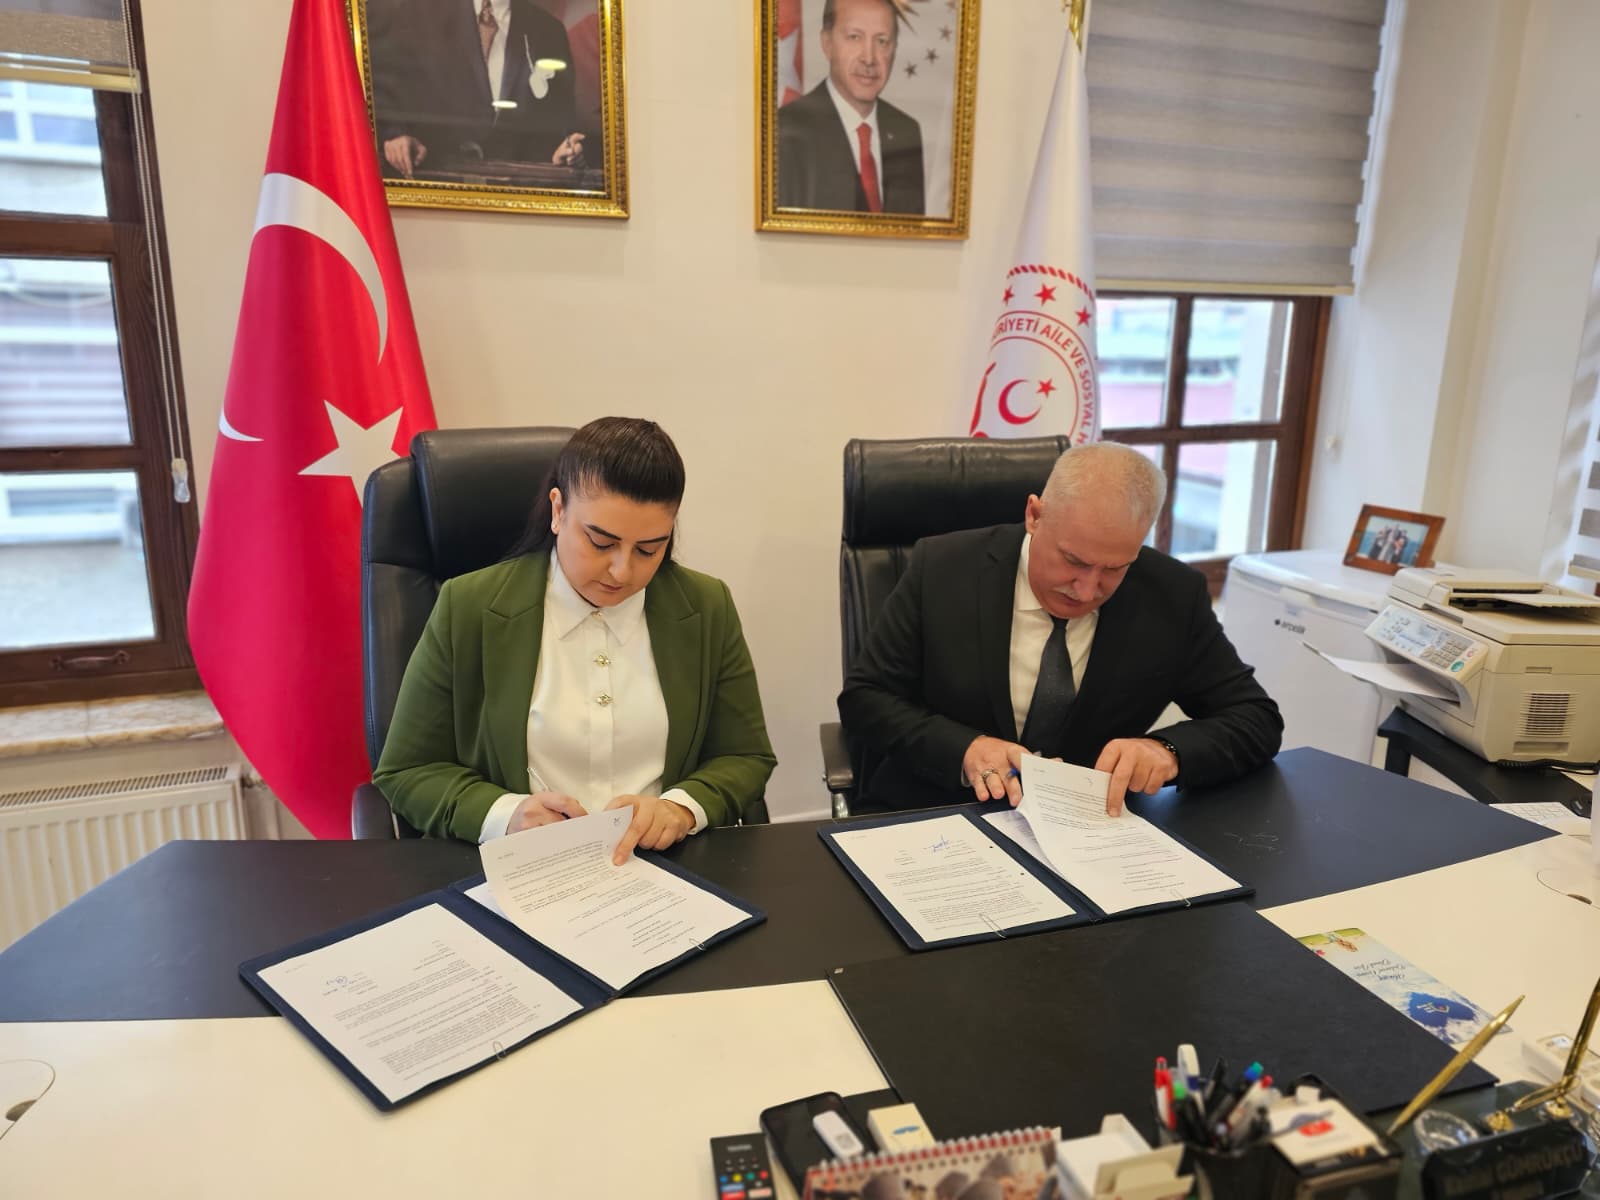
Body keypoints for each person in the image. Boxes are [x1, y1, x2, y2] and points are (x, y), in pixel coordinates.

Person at [374, 417, 776, 861]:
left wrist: (680, 809)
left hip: (664, 866)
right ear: (558, 510)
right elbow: (408, 770)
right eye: (601, 542)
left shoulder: (706, 606)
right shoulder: (469, 606)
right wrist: (505, 814)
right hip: (522, 865)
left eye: (649, 549)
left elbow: (745, 756)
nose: (622, 571)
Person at [838, 443, 1282, 816]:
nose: (1087, 590)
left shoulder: (1171, 595)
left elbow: (1255, 718)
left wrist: (1167, 752)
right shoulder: (942, 568)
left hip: (1086, 828)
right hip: (940, 812)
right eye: (1074, 561)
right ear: (1034, 515)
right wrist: (965, 749)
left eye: (1114, 569)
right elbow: (865, 699)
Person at [370, 0, 590, 179]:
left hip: (515, 197)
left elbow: (558, 126)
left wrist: (561, 153)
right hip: (434, 185)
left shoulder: (549, 32)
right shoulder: (418, 14)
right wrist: (395, 135)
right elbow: (388, 88)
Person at [777, 0, 925, 214]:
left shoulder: (906, 131)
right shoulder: (786, 131)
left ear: (894, 49)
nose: (869, 58)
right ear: (827, 44)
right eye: (854, 37)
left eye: (882, 41)